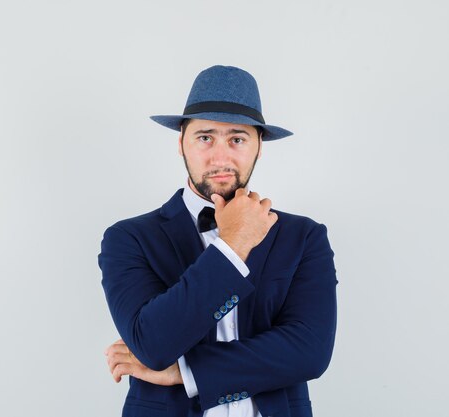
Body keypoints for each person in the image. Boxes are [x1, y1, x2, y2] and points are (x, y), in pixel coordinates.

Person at [98, 65, 337, 417]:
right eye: (205, 137)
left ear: (259, 147)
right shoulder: (128, 238)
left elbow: (309, 351)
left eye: (237, 139)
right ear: (181, 143)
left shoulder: (304, 237)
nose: (220, 157)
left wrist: (186, 371)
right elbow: (153, 344)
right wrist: (234, 244)